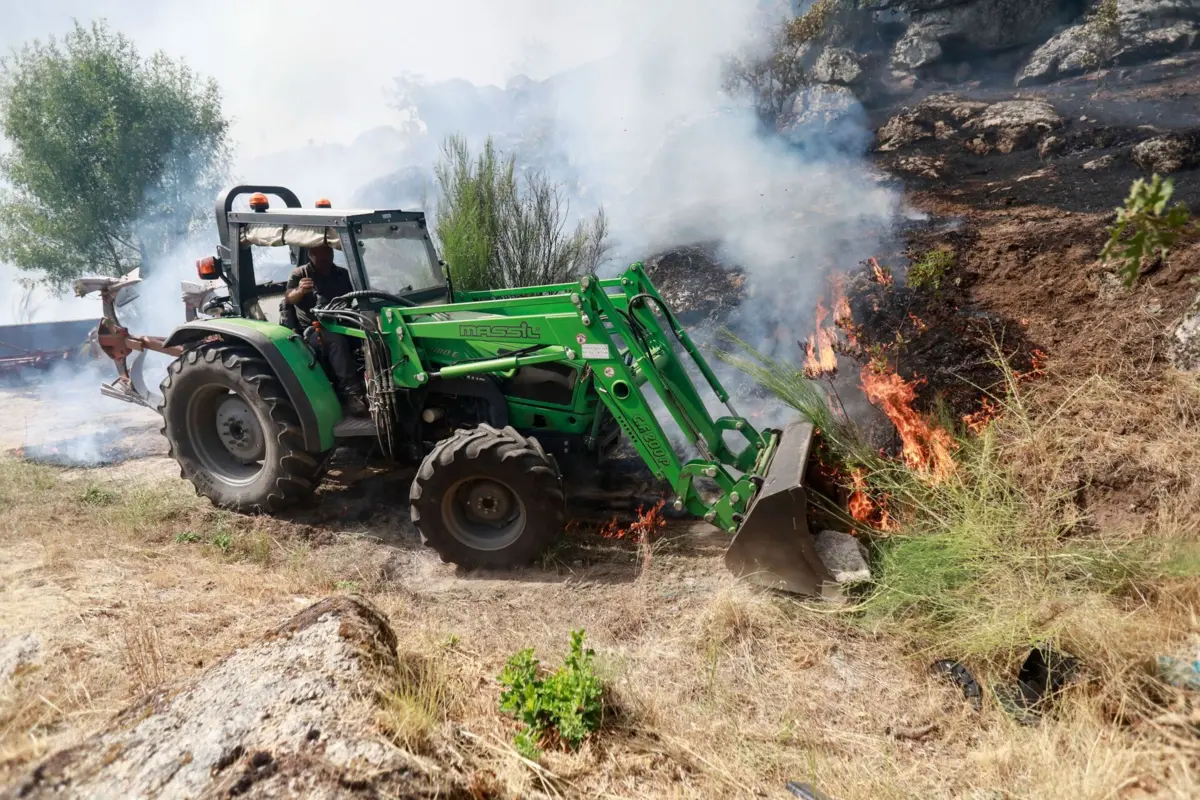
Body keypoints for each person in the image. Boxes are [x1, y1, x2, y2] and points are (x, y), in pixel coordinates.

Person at [283, 244, 368, 415]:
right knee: (336, 341)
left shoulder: (342, 273)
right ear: (310, 255)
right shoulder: (300, 274)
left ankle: (377, 381)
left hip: (343, 322)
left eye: (327, 254)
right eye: (319, 256)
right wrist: (300, 290)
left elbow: (359, 294)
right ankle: (352, 393)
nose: (325, 259)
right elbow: (289, 298)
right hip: (314, 330)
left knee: (371, 333)